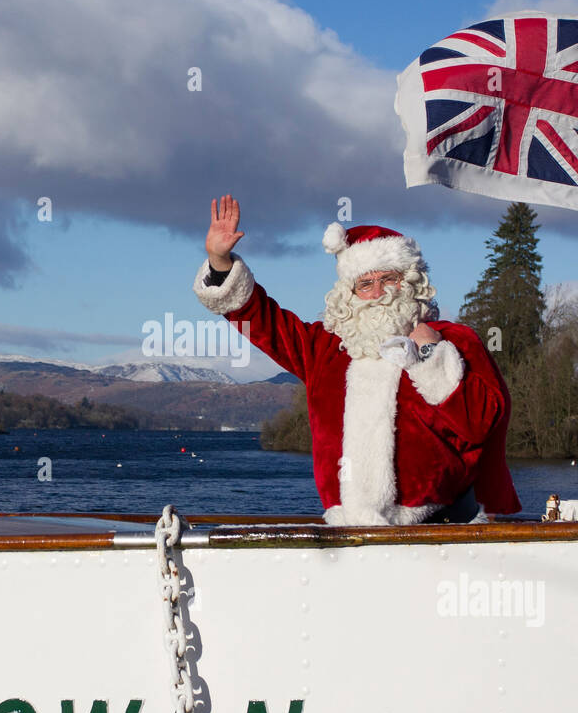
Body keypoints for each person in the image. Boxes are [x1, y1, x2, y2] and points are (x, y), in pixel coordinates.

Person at [195, 195, 520, 526]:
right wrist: (220, 262)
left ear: (409, 281)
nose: (378, 291)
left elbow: (481, 425)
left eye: (388, 278)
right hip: (349, 531)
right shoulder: (322, 348)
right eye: (366, 283)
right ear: (349, 292)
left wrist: (430, 357)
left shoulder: (455, 340)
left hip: (440, 529)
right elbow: (262, 320)